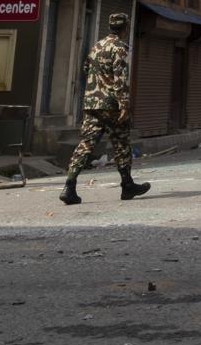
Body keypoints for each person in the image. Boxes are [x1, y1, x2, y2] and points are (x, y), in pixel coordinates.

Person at [60, 11, 151, 205]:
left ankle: (69, 186)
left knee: (85, 144)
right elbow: (120, 78)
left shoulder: (96, 47)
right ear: (125, 28)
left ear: (110, 27)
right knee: (121, 145)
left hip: (92, 103)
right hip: (112, 105)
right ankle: (127, 186)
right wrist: (124, 104)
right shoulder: (120, 48)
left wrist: (97, 86)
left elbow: (85, 69)